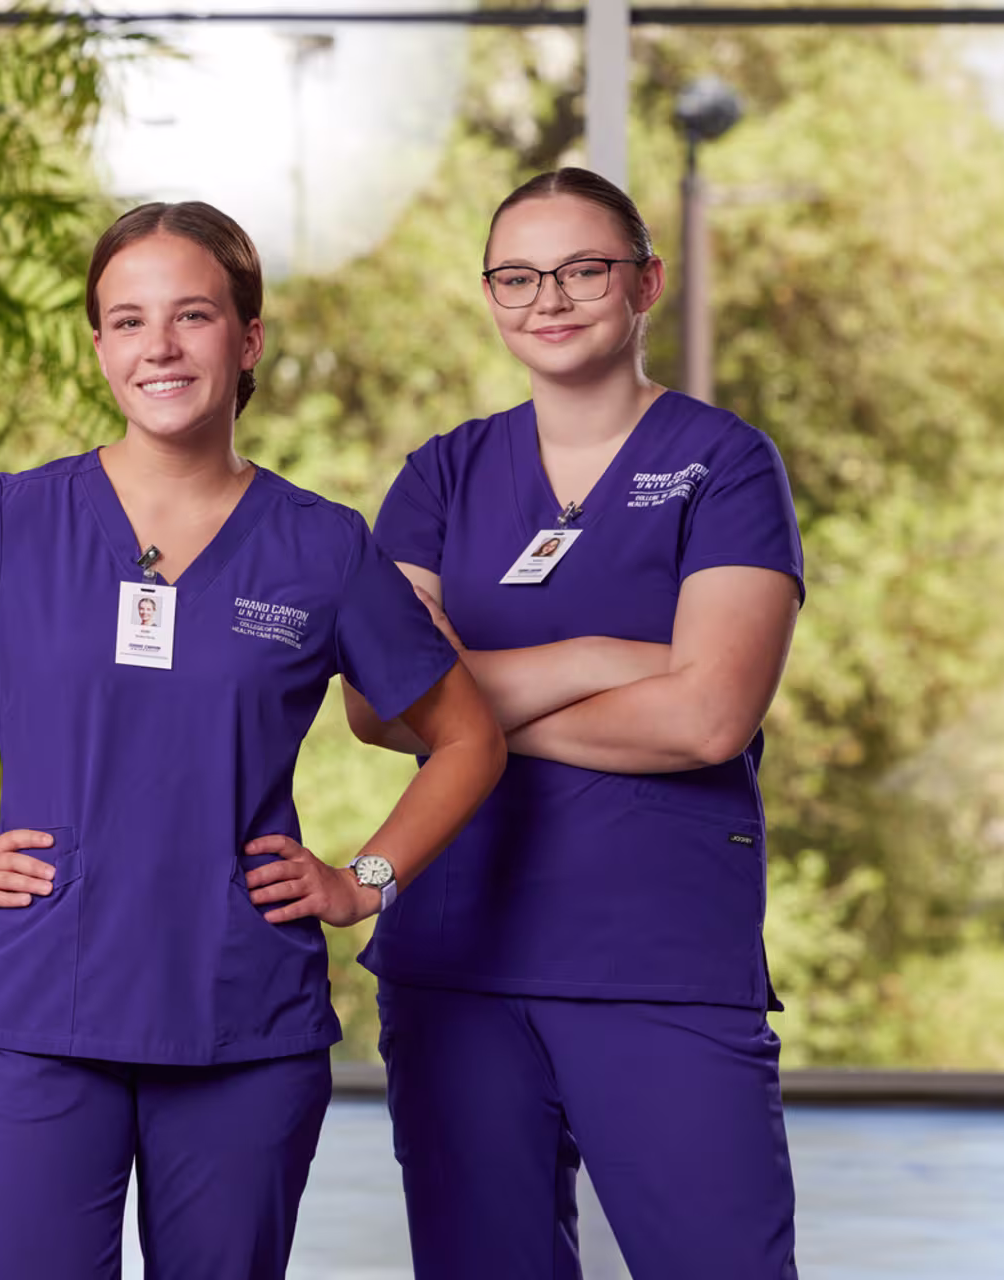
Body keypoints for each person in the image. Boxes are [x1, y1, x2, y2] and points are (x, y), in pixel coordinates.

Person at [0, 201, 506, 1280]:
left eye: (192, 315)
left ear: (247, 339)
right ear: (102, 345)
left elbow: (469, 738)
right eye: (126, 320)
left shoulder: (322, 546)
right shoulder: (16, 520)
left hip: (242, 1019)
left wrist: (363, 879)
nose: (158, 346)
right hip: (39, 1018)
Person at [347, 167, 806, 1279]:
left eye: (582, 268)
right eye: (516, 275)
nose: (546, 297)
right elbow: (377, 701)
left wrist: (467, 714)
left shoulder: (726, 464)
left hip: (659, 953)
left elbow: (707, 716)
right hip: (458, 953)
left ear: (645, 281)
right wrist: (603, 660)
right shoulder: (444, 473)